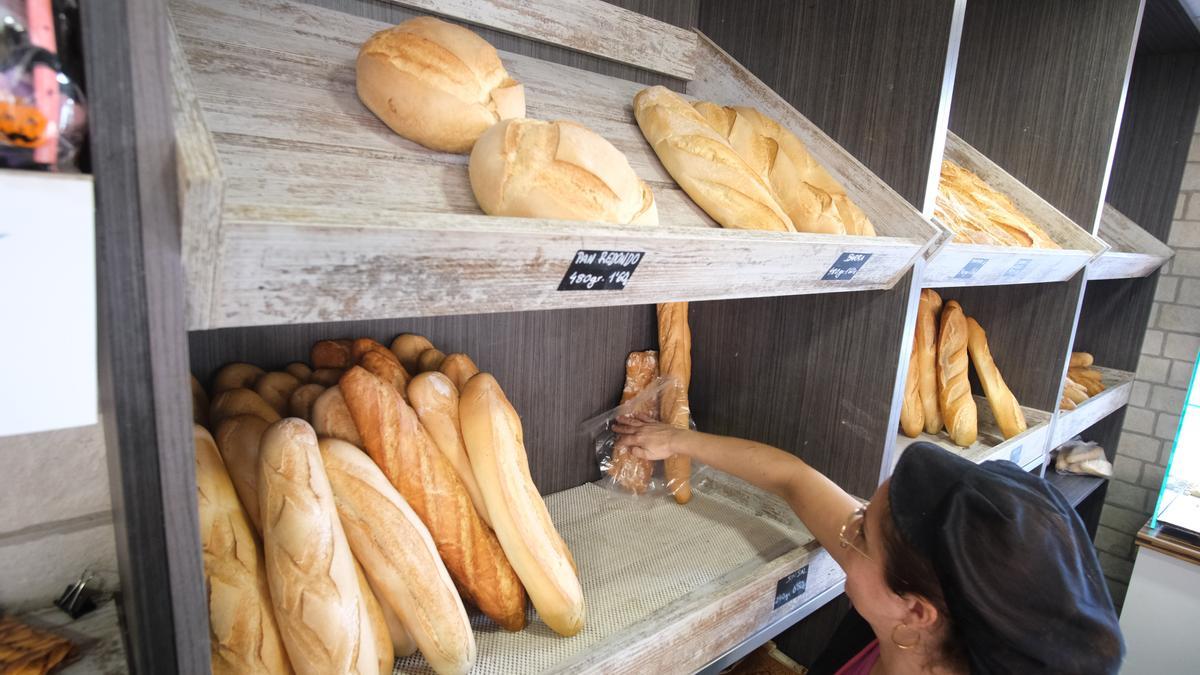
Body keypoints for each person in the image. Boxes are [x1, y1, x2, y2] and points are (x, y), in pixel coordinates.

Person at [612, 414, 1124, 675]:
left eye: (860, 532)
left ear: (917, 613)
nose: (844, 527)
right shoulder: (941, 615)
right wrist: (677, 440)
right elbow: (793, 478)